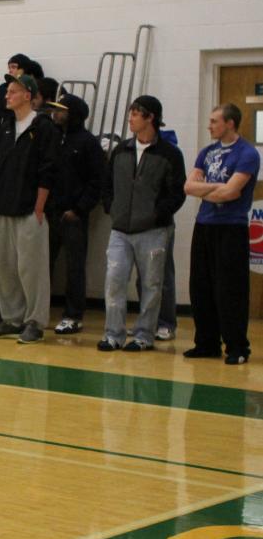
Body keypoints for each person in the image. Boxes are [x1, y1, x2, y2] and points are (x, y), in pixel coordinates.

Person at [97, 95, 186, 352]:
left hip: (154, 230)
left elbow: (177, 192)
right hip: (120, 230)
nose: (130, 118)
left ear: (150, 118)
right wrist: (111, 207)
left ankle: (144, 335)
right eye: (131, 113)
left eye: (136, 114)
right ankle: (113, 334)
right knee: (114, 281)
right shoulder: (121, 150)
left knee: (151, 285)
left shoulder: (170, 154)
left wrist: (157, 214)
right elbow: (107, 183)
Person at [0, 73, 58, 345]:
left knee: (32, 269)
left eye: (13, 91)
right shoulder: (5, 126)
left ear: (28, 95)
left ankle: (35, 322)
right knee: (5, 268)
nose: (7, 95)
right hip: (3, 207)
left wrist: (39, 206)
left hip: (29, 210)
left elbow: (48, 170)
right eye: (7, 91)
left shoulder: (44, 127)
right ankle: (12, 319)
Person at [183, 104, 259, 365]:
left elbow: (232, 192)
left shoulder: (247, 153)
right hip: (204, 225)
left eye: (215, 121)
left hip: (231, 227)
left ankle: (237, 347)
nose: (210, 126)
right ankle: (207, 343)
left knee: (230, 289)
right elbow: (188, 186)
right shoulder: (207, 152)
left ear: (230, 123)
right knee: (201, 286)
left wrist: (207, 188)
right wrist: (216, 188)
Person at [46, 93, 104, 335]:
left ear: (73, 115)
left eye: (60, 110)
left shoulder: (88, 143)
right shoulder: (52, 138)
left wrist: (79, 209)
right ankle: (39, 311)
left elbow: (97, 181)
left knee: (75, 266)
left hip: (74, 215)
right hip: (50, 212)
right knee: (43, 264)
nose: (55, 113)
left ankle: (73, 315)